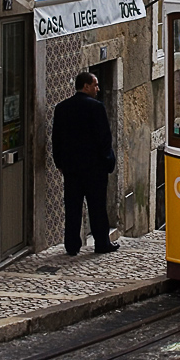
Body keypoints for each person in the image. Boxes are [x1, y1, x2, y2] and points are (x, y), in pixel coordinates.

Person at [52, 72, 118, 256]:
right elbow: (104, 138)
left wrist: (59, 162)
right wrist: (108, 161)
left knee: (72, 207)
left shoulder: (62, 108)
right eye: (95, 85)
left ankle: (72, 245)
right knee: (97, 207)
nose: (98, 88)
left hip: (71, 169)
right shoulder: (96, 108)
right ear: (86, 86)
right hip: (94, 169)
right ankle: (101, 243)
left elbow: (56, 138)